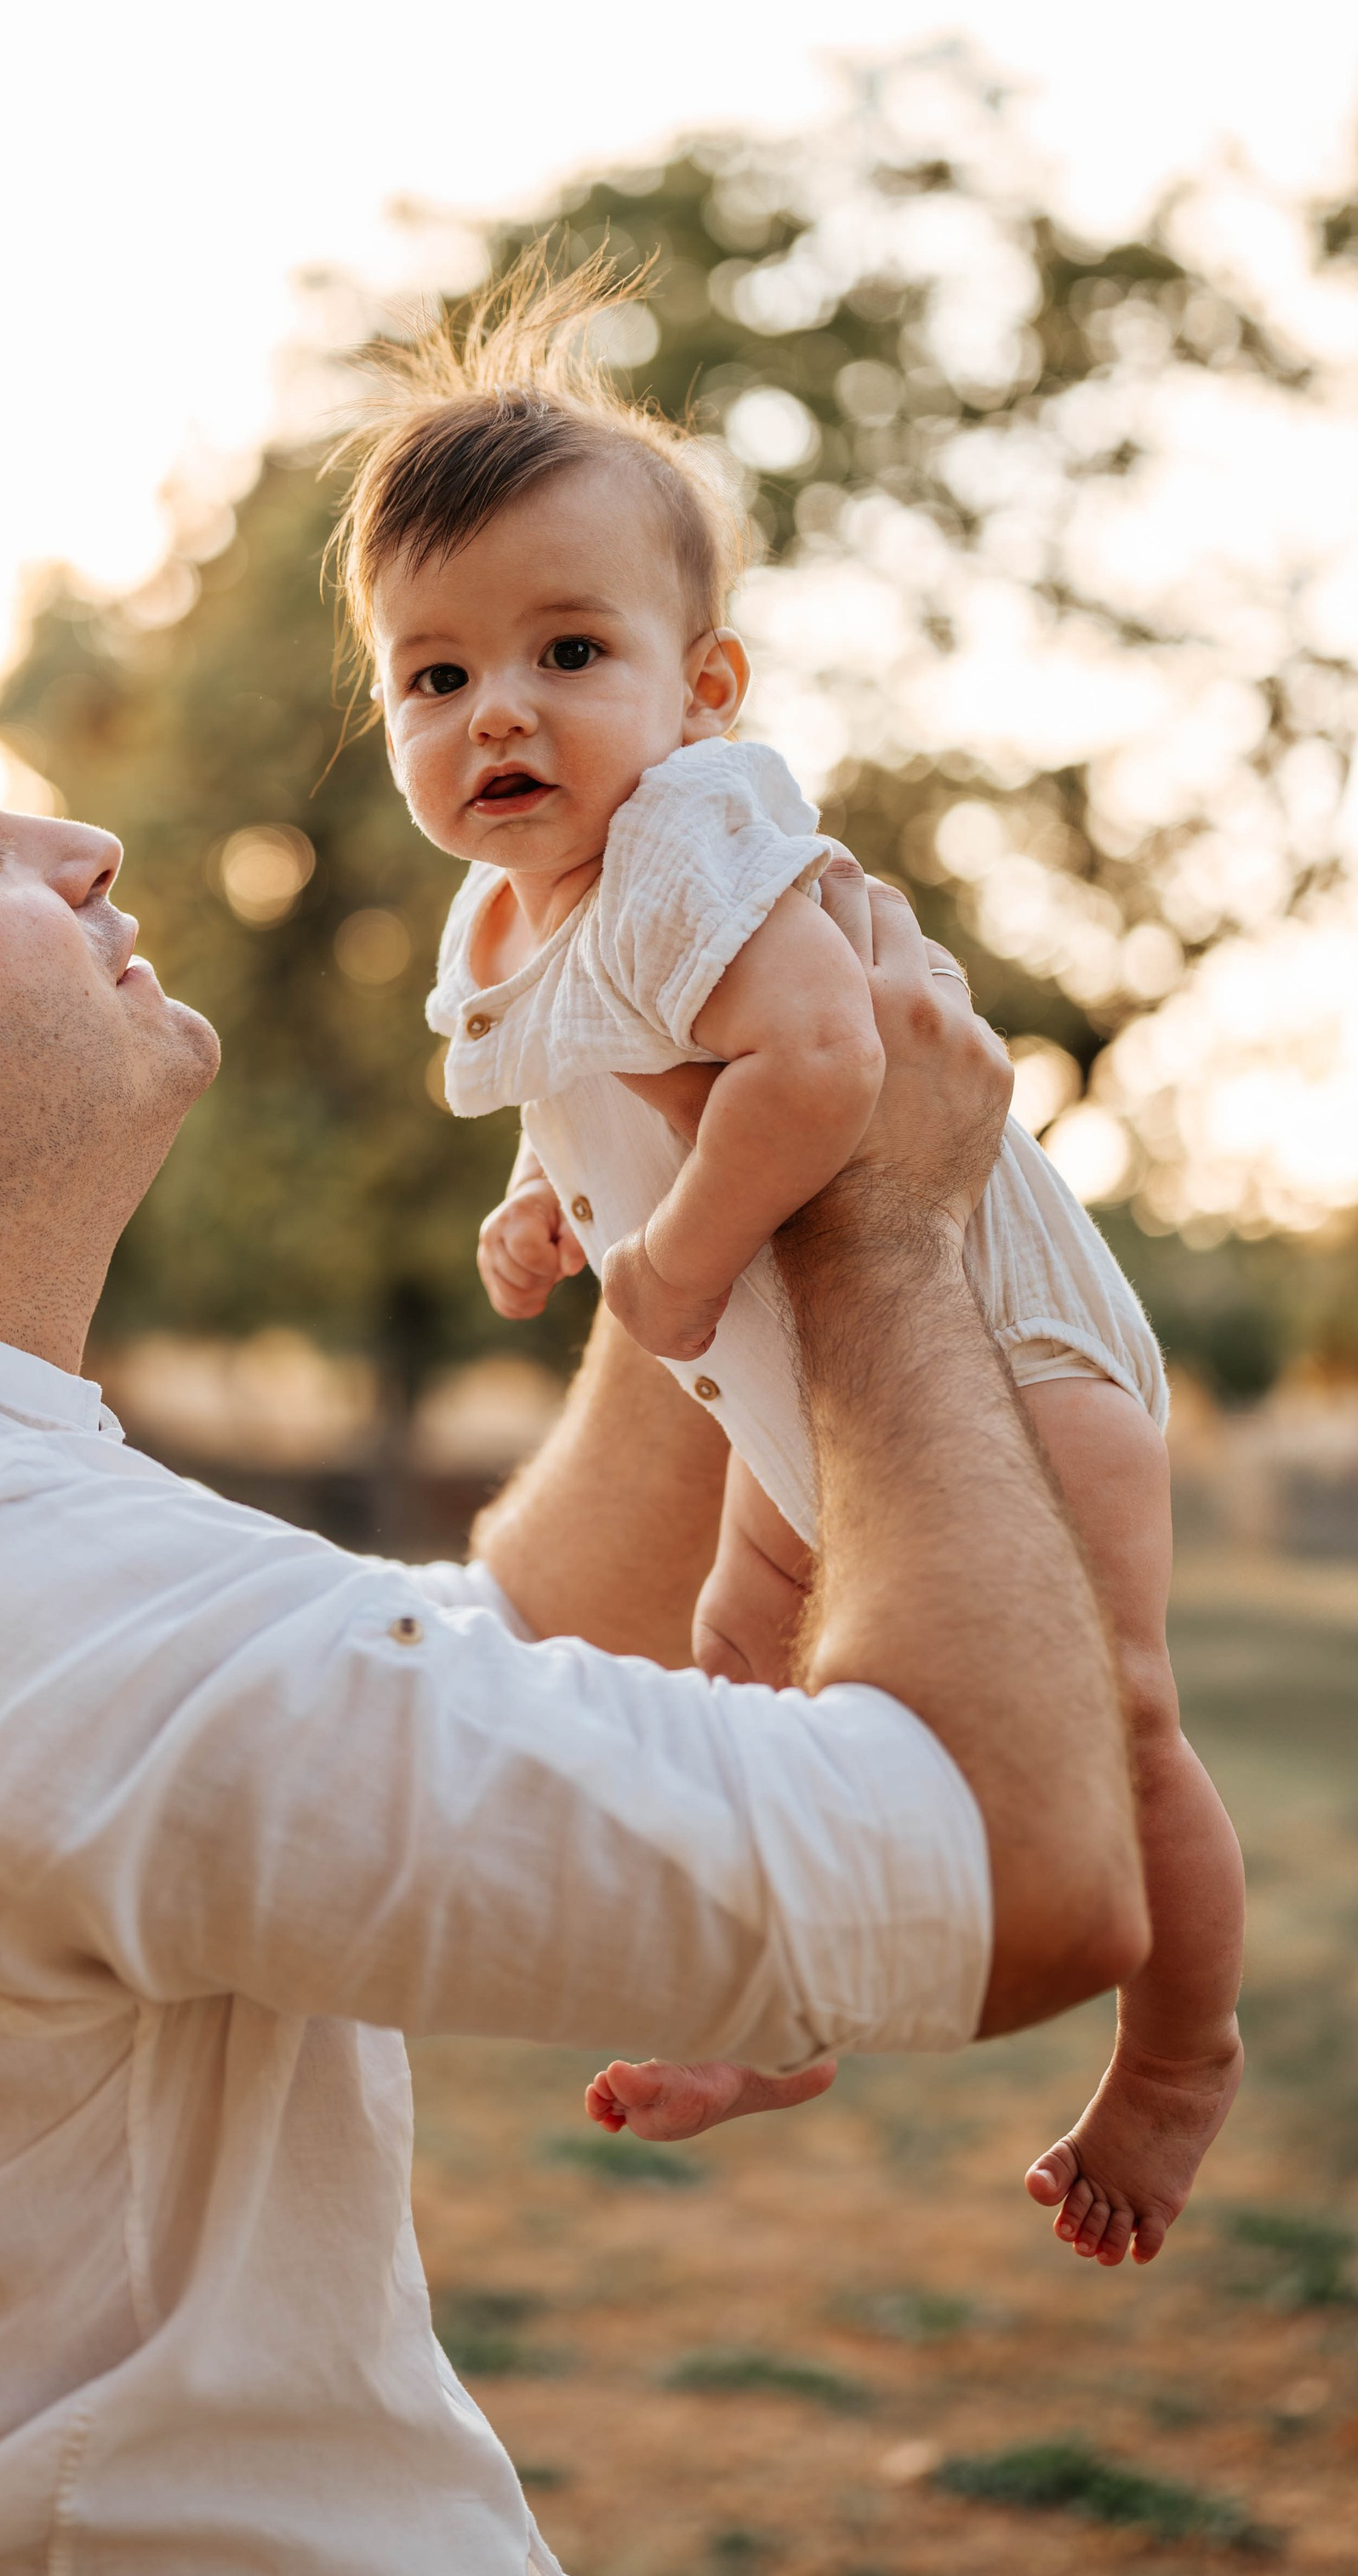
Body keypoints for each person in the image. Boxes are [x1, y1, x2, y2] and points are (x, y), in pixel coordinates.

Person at [0, 657, 1144, 2576]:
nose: (87, 850)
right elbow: (1015, 1868)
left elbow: (445, 1653)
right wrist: (879, 1220)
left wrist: (704, 1168)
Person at [333, 258, 1243, 2273]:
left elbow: (825, 1063)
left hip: (992, 1343)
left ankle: (1175, 2051)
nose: (498, 709)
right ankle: (771, 2017)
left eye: (568, 649)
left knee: (1113, 1701)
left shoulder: (687, 844)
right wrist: (553, 1215)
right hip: (795, 1373)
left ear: (699, 690)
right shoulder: (503, 931)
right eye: (433, 673)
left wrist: (660, 1263)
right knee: (741, 1669)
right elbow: (607, 1107)